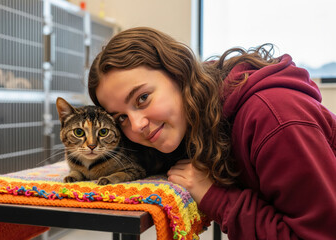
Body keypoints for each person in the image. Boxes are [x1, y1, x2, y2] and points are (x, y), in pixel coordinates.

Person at [87, 27, 336, 239]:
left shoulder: (274, 118)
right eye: (121, 118)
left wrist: (215, 197)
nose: (137, 124)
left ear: (179, 74)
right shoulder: (196, 118)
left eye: (142, 98)